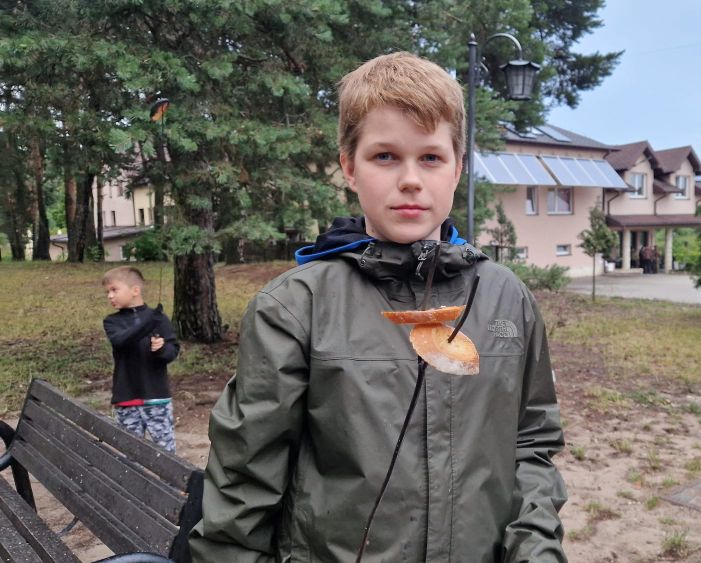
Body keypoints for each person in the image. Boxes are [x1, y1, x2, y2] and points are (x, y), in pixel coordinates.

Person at [189, 52, 568, 562]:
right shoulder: (295, 308)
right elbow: (244, 479)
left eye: (430, 158)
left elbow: (532, 444)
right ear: (349, 167)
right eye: (385, 156)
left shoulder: (507, 298)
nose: (410, 179)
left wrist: (536, 551)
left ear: (458, 167)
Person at [101, 266, 180, 453]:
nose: (110, 296)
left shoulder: (159, 319)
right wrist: (149, 323)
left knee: (166, 451)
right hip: (126, 398)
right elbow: (121, 341)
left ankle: (165, 476)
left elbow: (172, 351)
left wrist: (161, 349)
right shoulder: (112, 322)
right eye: (107, 292)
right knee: (128, 453)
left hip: (157, 397)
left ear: (135, 290)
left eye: (114, 290)